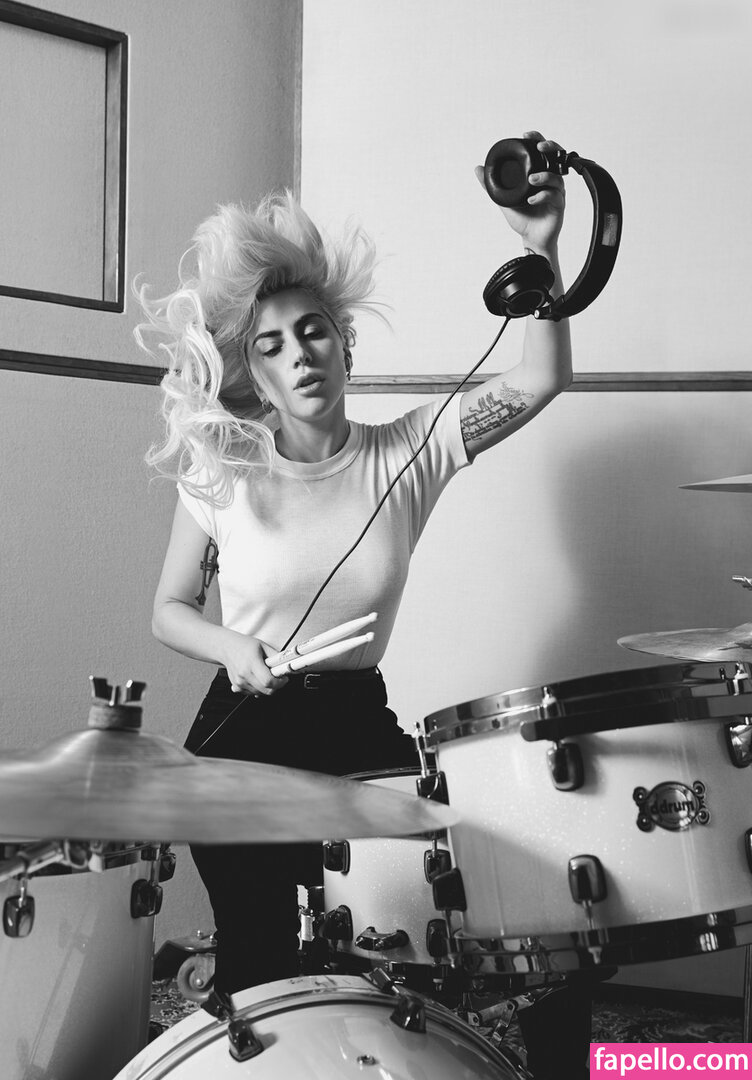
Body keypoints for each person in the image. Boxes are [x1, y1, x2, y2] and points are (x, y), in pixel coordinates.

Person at [139, 129, 576, 1065]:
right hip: (244, 729)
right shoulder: (223, 468)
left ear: (344, 341)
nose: (299, 354)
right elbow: (169, 608)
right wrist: (233, 648)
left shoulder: (408, 450)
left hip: (353, 725)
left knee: (413, 936)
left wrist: (540, 246)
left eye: (313, 331)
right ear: (253, 374)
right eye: (271, 345)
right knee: (263, 964)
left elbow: (541, 377)